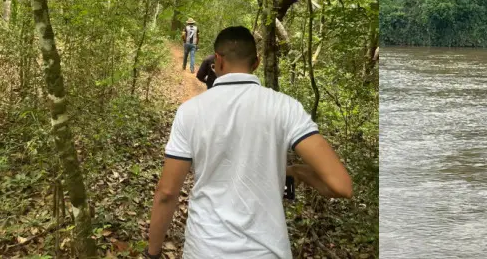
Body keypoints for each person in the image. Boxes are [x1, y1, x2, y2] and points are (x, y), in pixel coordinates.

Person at [144, 26, 352, 259]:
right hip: (268, 251)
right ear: (257, 62)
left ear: (218, 61)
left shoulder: (190, 111)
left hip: (206, 249)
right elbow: (340, 186)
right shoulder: (286, 107)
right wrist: (298, 172)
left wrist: (152, 253)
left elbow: (167, 192)